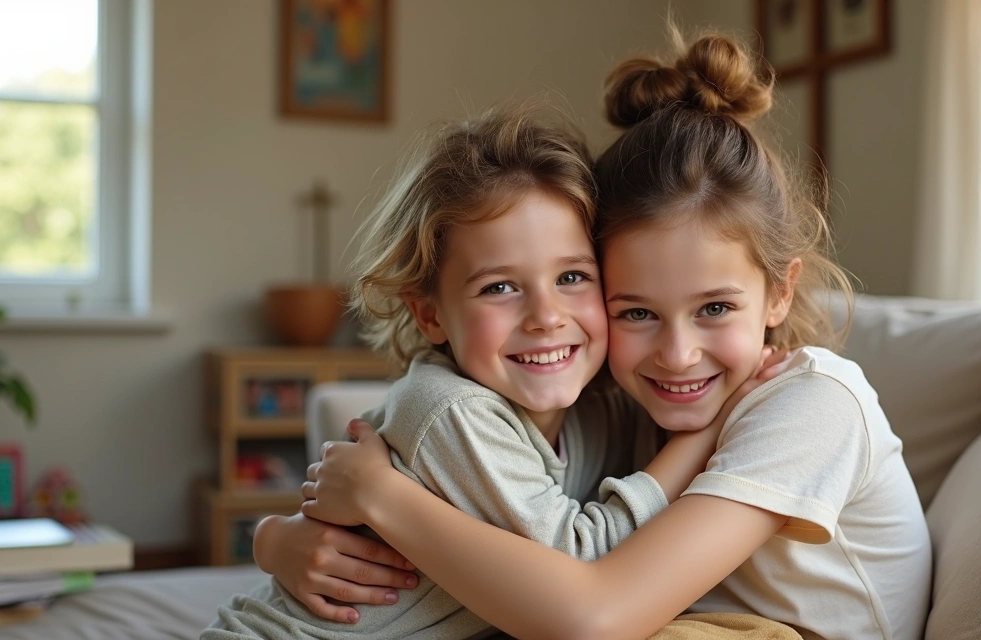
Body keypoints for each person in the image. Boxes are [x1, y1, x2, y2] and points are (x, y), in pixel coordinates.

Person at [300, 30, 933, 640]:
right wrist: (288, 538)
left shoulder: (812, 403)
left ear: (780, 291)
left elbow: (591, 615)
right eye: (635, 313)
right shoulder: (625, 402)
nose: (677, 356)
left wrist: (381, 498)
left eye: (714, 307)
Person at [203, 104, 795, 640]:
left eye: (571, 277)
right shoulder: (447, 410)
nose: (546, 317)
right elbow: (576, 567)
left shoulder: (600, 406)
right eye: (499, 287)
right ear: (430, 314)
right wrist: (704, 436)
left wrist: (272, 536)